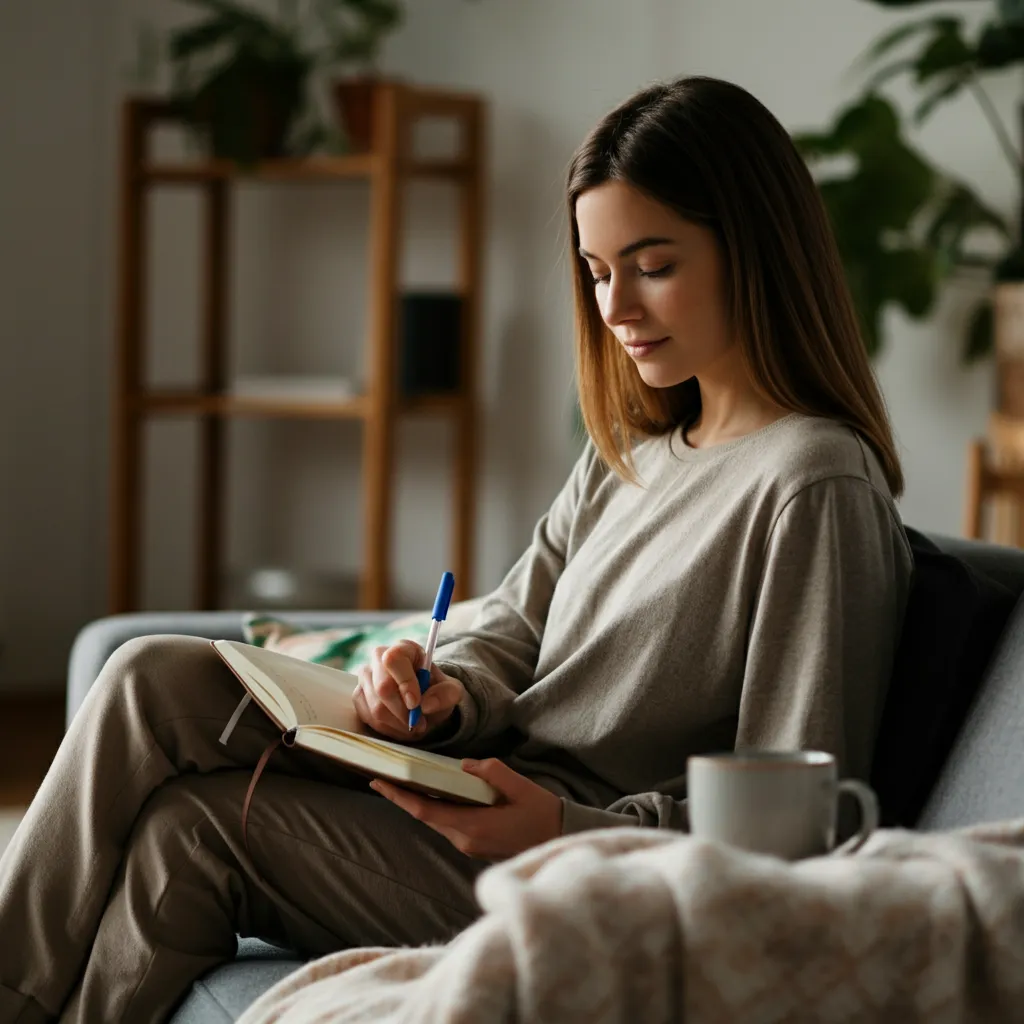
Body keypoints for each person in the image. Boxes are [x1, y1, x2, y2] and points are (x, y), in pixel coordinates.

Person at [0, 74, 913, 1022]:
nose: (616, 309)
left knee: (188, 836)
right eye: (598, 272)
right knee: (152, 677)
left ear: (754, 250)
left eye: (652, 264)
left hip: (567, 860)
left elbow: (789, 821)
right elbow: (514, 628)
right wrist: (437, 695)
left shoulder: (812, 482)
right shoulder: (635, 455)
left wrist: (560, 827)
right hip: (472, 786)